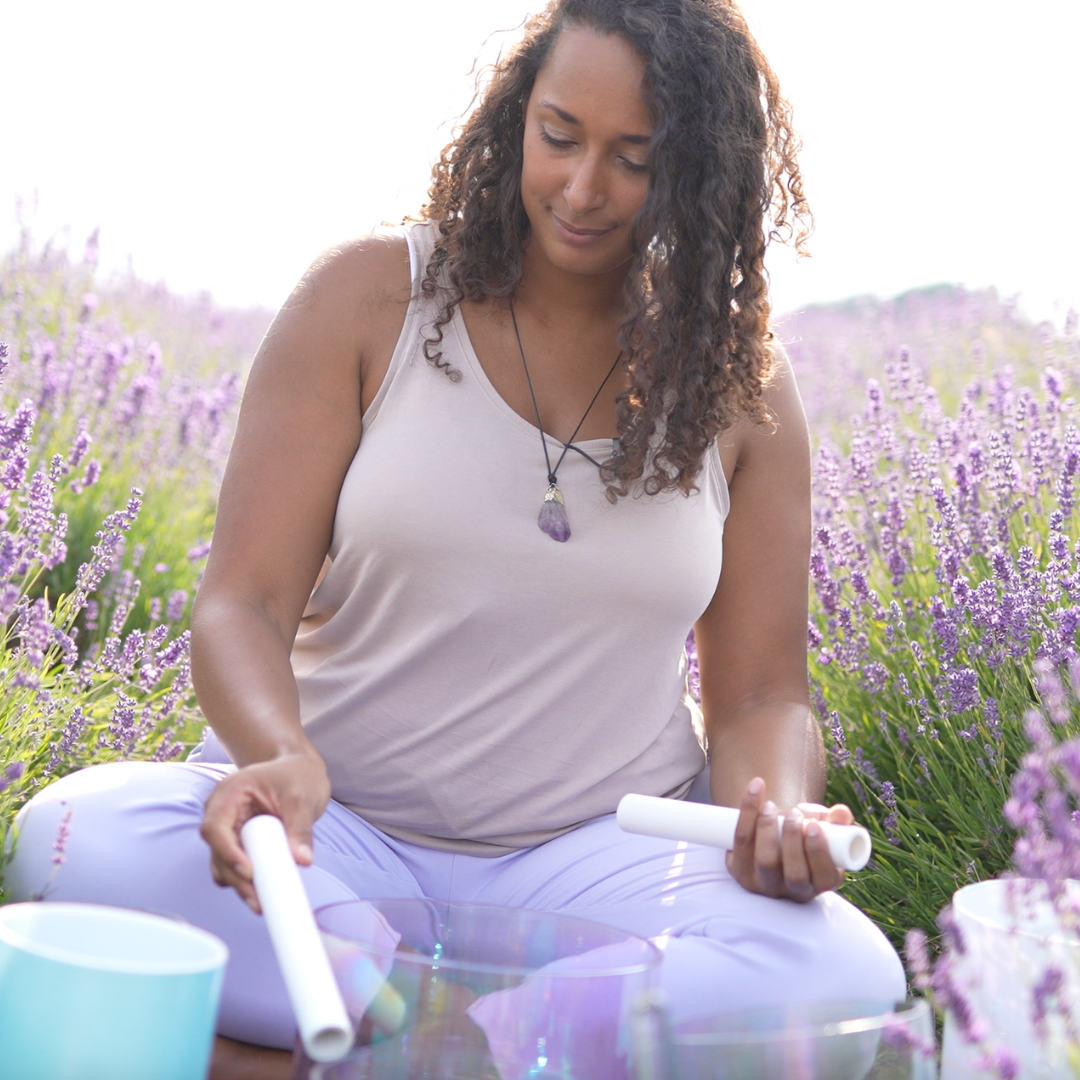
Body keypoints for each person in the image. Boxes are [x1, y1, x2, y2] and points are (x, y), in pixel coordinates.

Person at [7, 0, 905, 1076]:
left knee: (845, 973)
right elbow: (241, 601)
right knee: (77, 835)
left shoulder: (745, 394)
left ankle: (344, 1040)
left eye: (634, 158)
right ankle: (504, 1042)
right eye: (560, 135)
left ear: (701, 172)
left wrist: (777, 811)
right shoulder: (370, 300)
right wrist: (277, 756)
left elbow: (762, 696)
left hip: (595, 859)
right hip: (331, 829)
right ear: (516, 116)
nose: (581, 189)